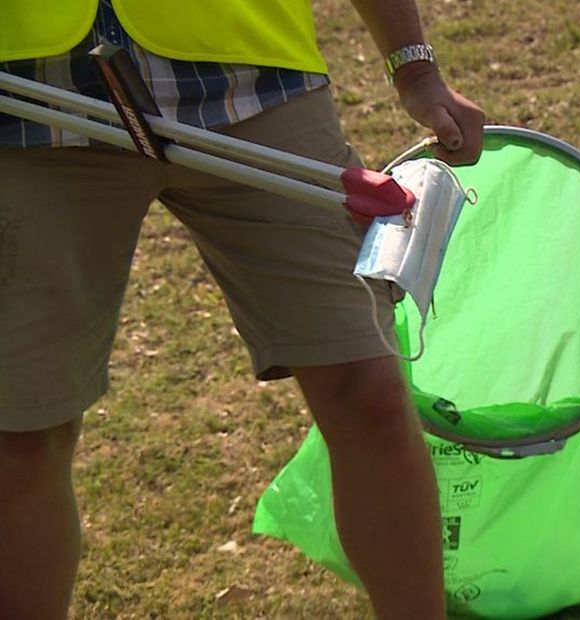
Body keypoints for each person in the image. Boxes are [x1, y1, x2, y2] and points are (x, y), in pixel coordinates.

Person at [0, 0, 484, 618]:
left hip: (256, 79)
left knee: (368, 392)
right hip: (27, 97)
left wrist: (414, 67)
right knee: (21, 432)